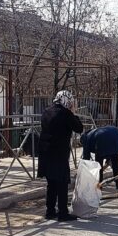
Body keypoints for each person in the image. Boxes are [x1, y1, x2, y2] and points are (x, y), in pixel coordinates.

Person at [38, 90, 83, 221]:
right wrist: (73, 112)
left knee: (51, 183)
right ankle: (63, 212)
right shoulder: (65, 113)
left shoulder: (46, 111)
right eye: (70, 103)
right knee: (62, 182)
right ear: (66, 101)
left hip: (45, 151)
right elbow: (79, 128)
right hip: (59, 152)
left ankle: (50, 211)